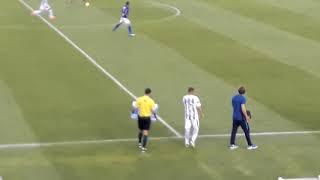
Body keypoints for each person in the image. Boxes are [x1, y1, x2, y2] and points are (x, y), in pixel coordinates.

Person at [133, 88, 157, 152]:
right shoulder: (151, 101)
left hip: (140, 117)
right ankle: (143, 148)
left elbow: (135, 107)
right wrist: (155, 116)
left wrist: (133, 113)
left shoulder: (139, 99)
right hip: (147, 118)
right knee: (145, 132)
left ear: (144, 92)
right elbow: (153, 110)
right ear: (150, 93)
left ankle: (139, 143)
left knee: (140, 130)